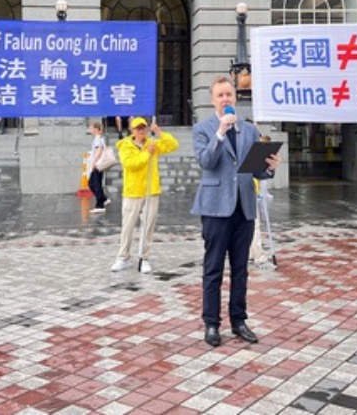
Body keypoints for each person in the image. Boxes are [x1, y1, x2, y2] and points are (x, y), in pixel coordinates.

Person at [191, 76, 281, 347]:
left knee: (240, 268)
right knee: (214, 268)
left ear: (235, 97)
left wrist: (269, 168)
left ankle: (239, 320)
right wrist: (220, 132)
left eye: (229, 94)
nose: (226, 99)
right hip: (216, 208)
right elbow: (206, 161)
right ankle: (211, 323)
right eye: (220, 95)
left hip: (244, 207)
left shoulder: (249, 130)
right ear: (213, 100)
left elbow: (255, 169)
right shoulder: (203, 129)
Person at [111, 117, 179, 274]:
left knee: (148, 226)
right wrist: (147, 154)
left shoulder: (152, 143)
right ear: (132, 130)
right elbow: (131, 164)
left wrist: (159, 132)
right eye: (137, 128)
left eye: (144, 128)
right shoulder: (125, 146)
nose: (141, 131)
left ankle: (144, 257)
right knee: (128, 226)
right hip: (133, 192)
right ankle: (123, 257)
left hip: (151, 191)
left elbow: (173, 145)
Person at [87, 121, 110, 214]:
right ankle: (103, 199)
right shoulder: (100, 138)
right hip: (99, 164)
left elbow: (99, 151)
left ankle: (100, 204)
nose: (90, 130)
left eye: (91, 128)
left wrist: (94, 163)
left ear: (96, 129)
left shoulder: (97, 139)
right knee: (94, 184)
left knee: (95, 184)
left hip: (97, 165)